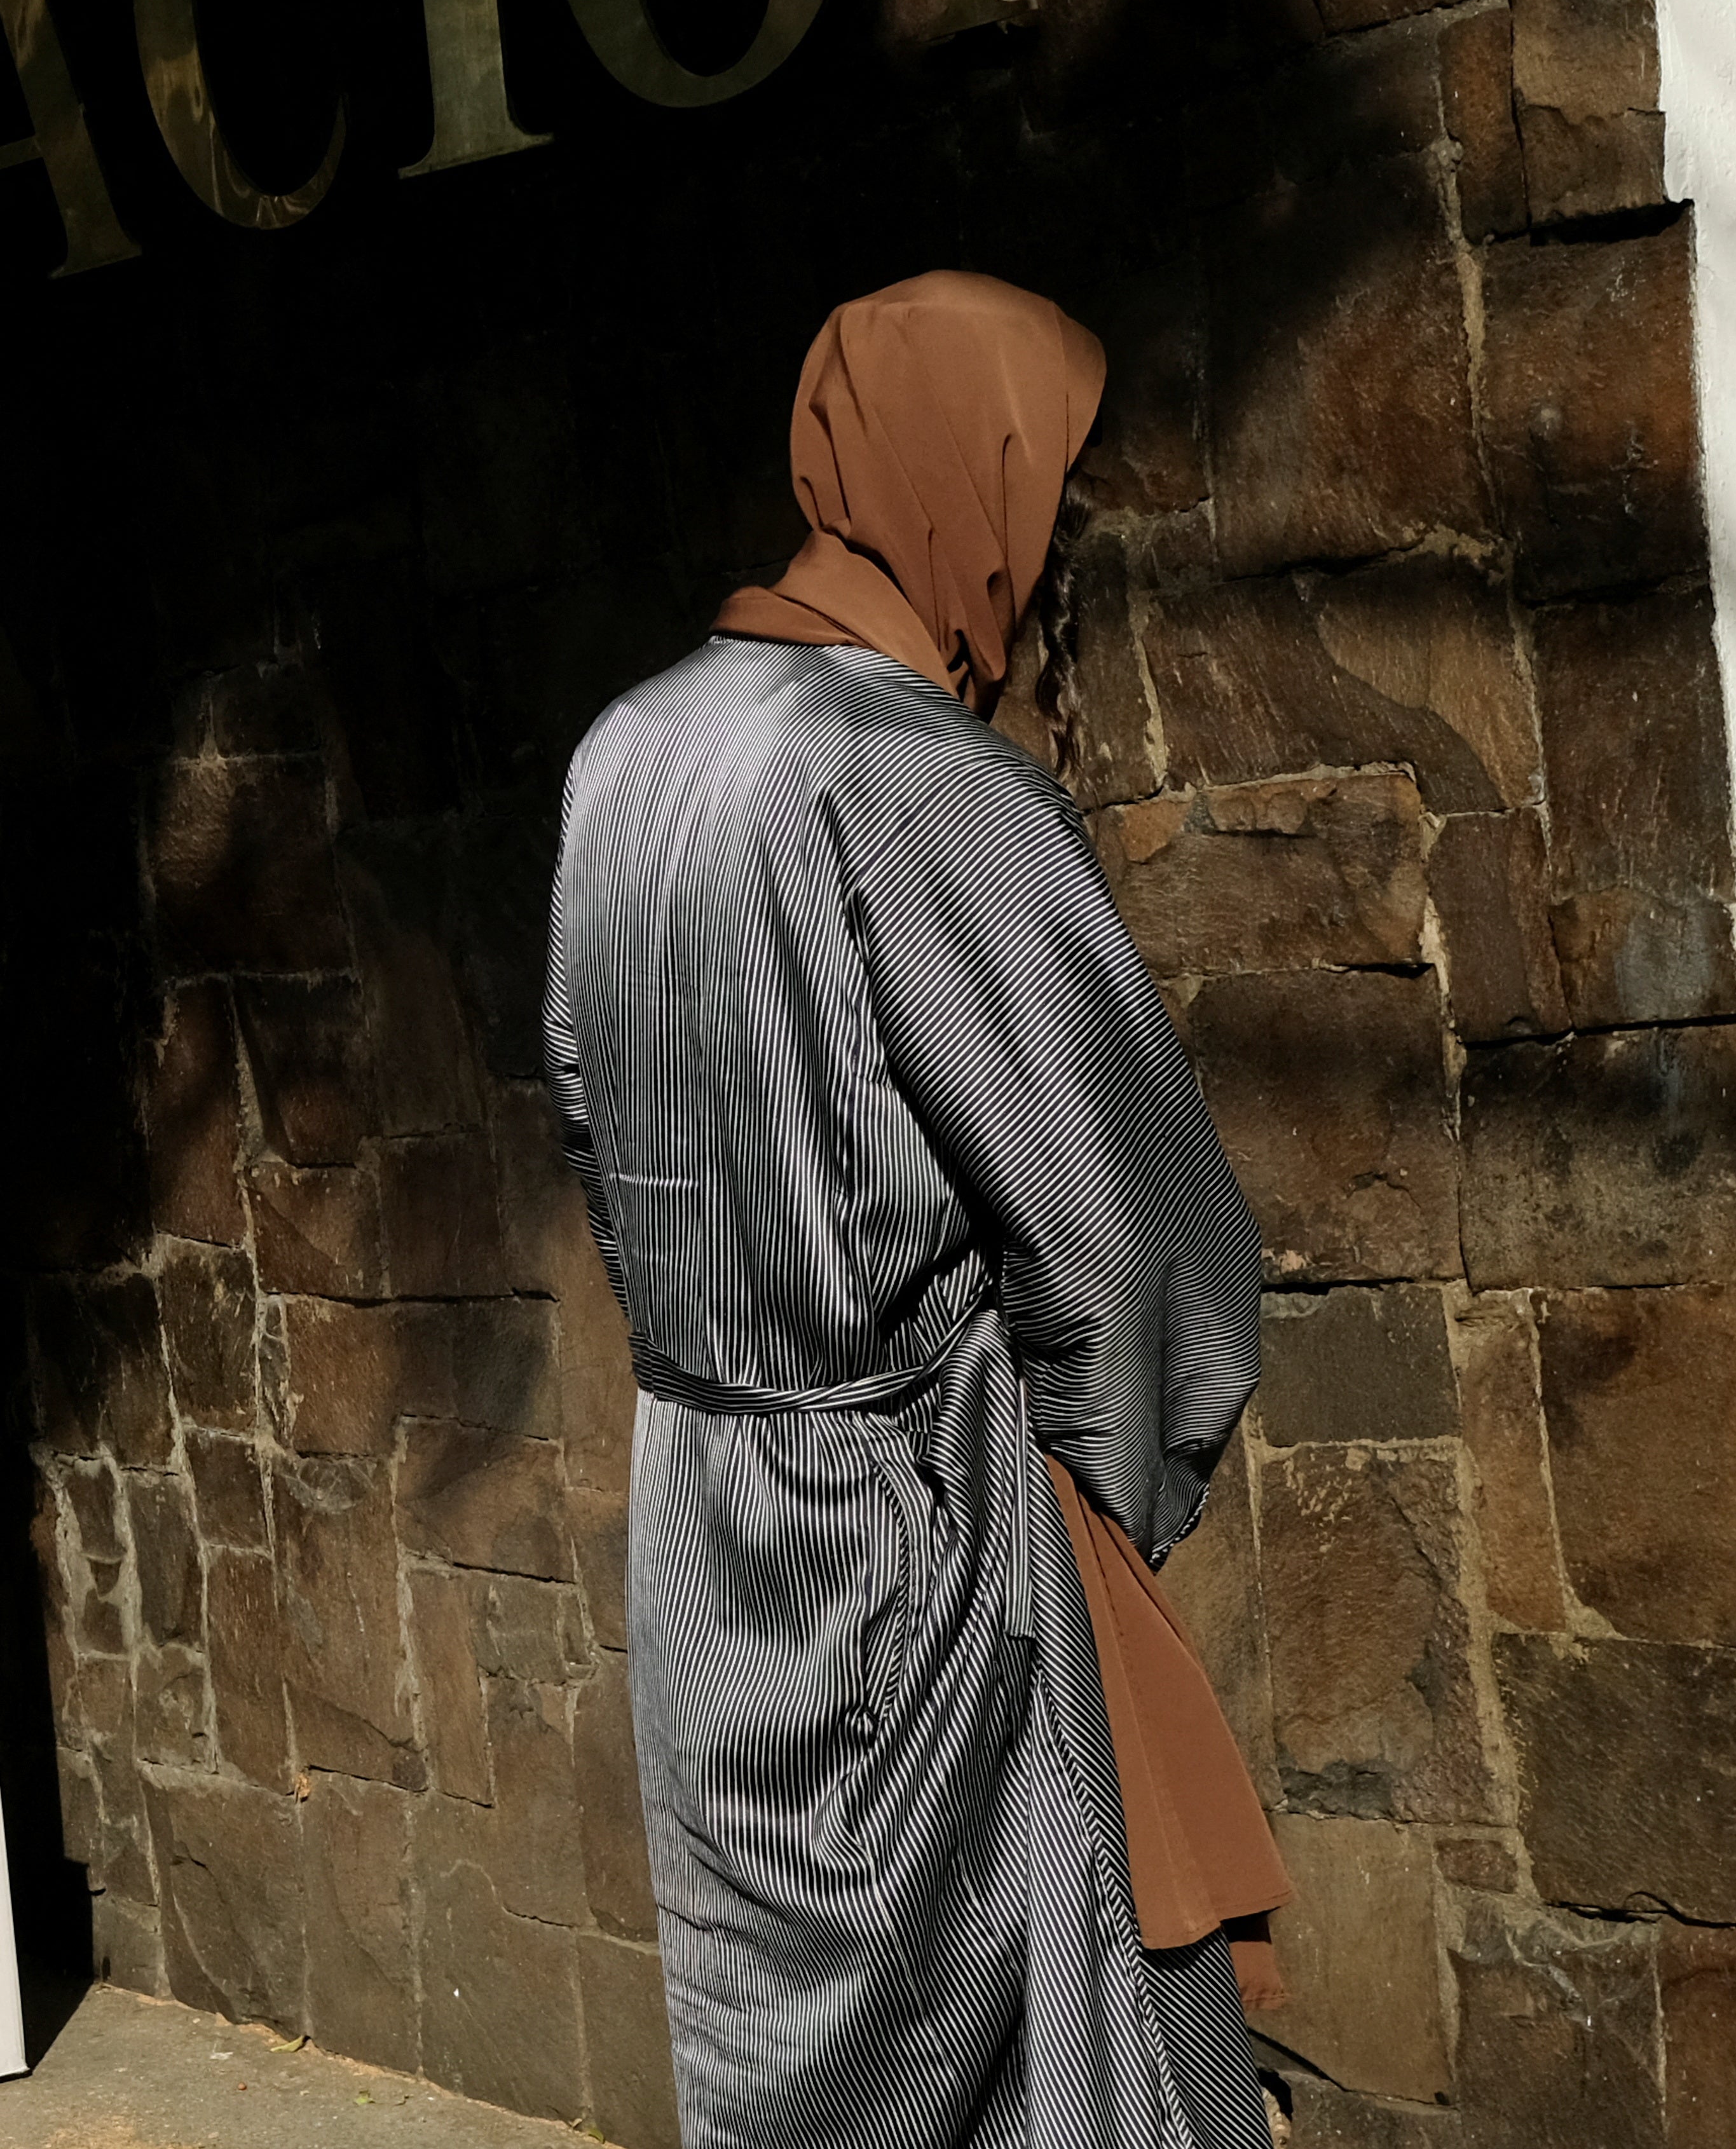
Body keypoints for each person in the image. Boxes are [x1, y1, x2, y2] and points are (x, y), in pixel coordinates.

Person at [544, 273, 1288, 2149]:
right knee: (1040, 2069)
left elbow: (594, 1112)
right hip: (916, 1551)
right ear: (977, 480)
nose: (1055, 550)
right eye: (1046, 488)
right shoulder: (907, 780)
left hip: (706, 1533)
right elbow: (1134, 1244)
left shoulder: (625, 755)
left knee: (797, 2081)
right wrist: (1087, 1507)